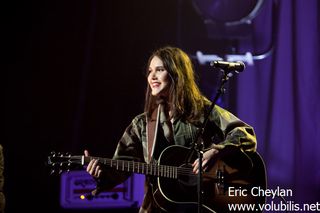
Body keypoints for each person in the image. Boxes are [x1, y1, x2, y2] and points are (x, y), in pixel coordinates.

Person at [85, 46, 257, 212]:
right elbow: (119, 167)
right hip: (157, 207)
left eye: (159, 70)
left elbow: (244, 132)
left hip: (200, 205)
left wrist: (217, 151)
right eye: (150, 71)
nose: (151, 76)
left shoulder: (202, 110)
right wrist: (101, 176)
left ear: (176, 74)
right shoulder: (141, 125)